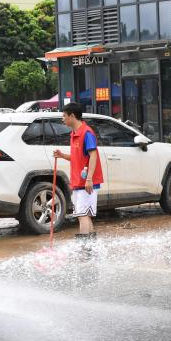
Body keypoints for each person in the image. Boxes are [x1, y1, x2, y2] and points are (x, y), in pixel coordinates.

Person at [53, 102, 103, 244]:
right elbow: (77, 158)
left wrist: (89, 179)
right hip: (78, 182)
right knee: (84, 214)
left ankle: (84, 246)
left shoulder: (87, 133)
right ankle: (91, 246)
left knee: (82, 214)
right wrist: (62, 155)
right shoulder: (74, 134)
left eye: (64, 116)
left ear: (72, 116)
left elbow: (93, 155)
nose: (62, 119)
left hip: (86, 182)